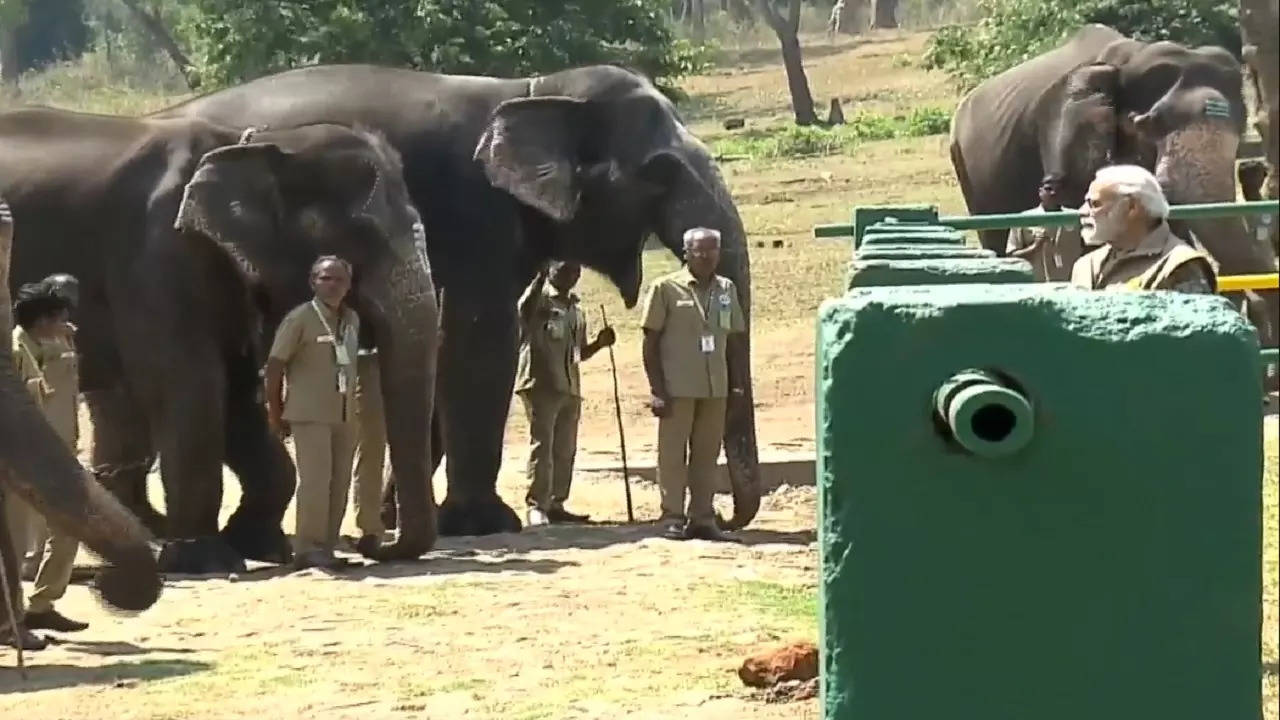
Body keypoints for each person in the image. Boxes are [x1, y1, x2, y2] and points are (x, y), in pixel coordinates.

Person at [641, 227, 747, 542]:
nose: (705, 256)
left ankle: (702, 516)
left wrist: (738, 384)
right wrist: (657, 390)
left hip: (715, 388)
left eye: (712, 250)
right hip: (677, 387)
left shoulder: (727, 289)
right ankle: (672, 515)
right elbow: (650, 341)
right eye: (698, 250)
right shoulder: (666, 288)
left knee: (707, 454)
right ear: (685, 252)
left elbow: (735, 341)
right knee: (673, 455)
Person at [265, 256, 360, 570]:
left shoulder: (351, 320)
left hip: (345, 413)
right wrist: (275, 412)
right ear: (313, 282)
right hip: (309, 413)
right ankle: (307, 547)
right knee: (316, 482)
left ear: (348, 285)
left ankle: (327, 546)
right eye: (325, 278)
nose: (331, 285)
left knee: (340, 482)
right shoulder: (300, 319)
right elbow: (275, 366)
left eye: (338, 280)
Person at [5, 279, 89, 634]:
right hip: (19, 464)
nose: (66, 326)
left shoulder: (51, 346)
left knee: (69, 525)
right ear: (42, 321)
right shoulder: (12, 352)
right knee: (14, 544)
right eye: (60, 319)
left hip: (51, 459)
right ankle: (10, 621)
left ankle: (41, 605)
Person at [515, 261, 615, 526]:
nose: (570, 275)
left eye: (575, 271)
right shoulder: (539, 300)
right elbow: (523, 312)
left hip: (569, 386)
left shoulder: (576, 309)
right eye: (563, 269)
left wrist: (600, 344)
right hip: (541, 384)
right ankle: (537, 505)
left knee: (565, 449)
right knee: (543, 447)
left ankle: (557, 502)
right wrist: (537, 275)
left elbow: (578, 353)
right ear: (550, 270)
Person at [1070, 164, 1217, 293]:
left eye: (1095, 204)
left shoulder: (1178, 265)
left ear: (1132, 207)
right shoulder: (1085, 266)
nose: (1082, 211)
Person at [350, 324, 386, 555]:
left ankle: (369, 528)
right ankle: (320, 533)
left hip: (371, 361)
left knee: (371, 451)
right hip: (321, 369)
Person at [1006, 175, 1084, 282]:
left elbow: (1089, 247)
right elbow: (1011, 255)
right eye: (1048, 189)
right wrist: (1034, 247)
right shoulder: (1024, 219)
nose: (1053, 193)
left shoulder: (1075, 217)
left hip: (1071, 282)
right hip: (1036, 283)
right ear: (1040, 192)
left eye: (1058, 189)